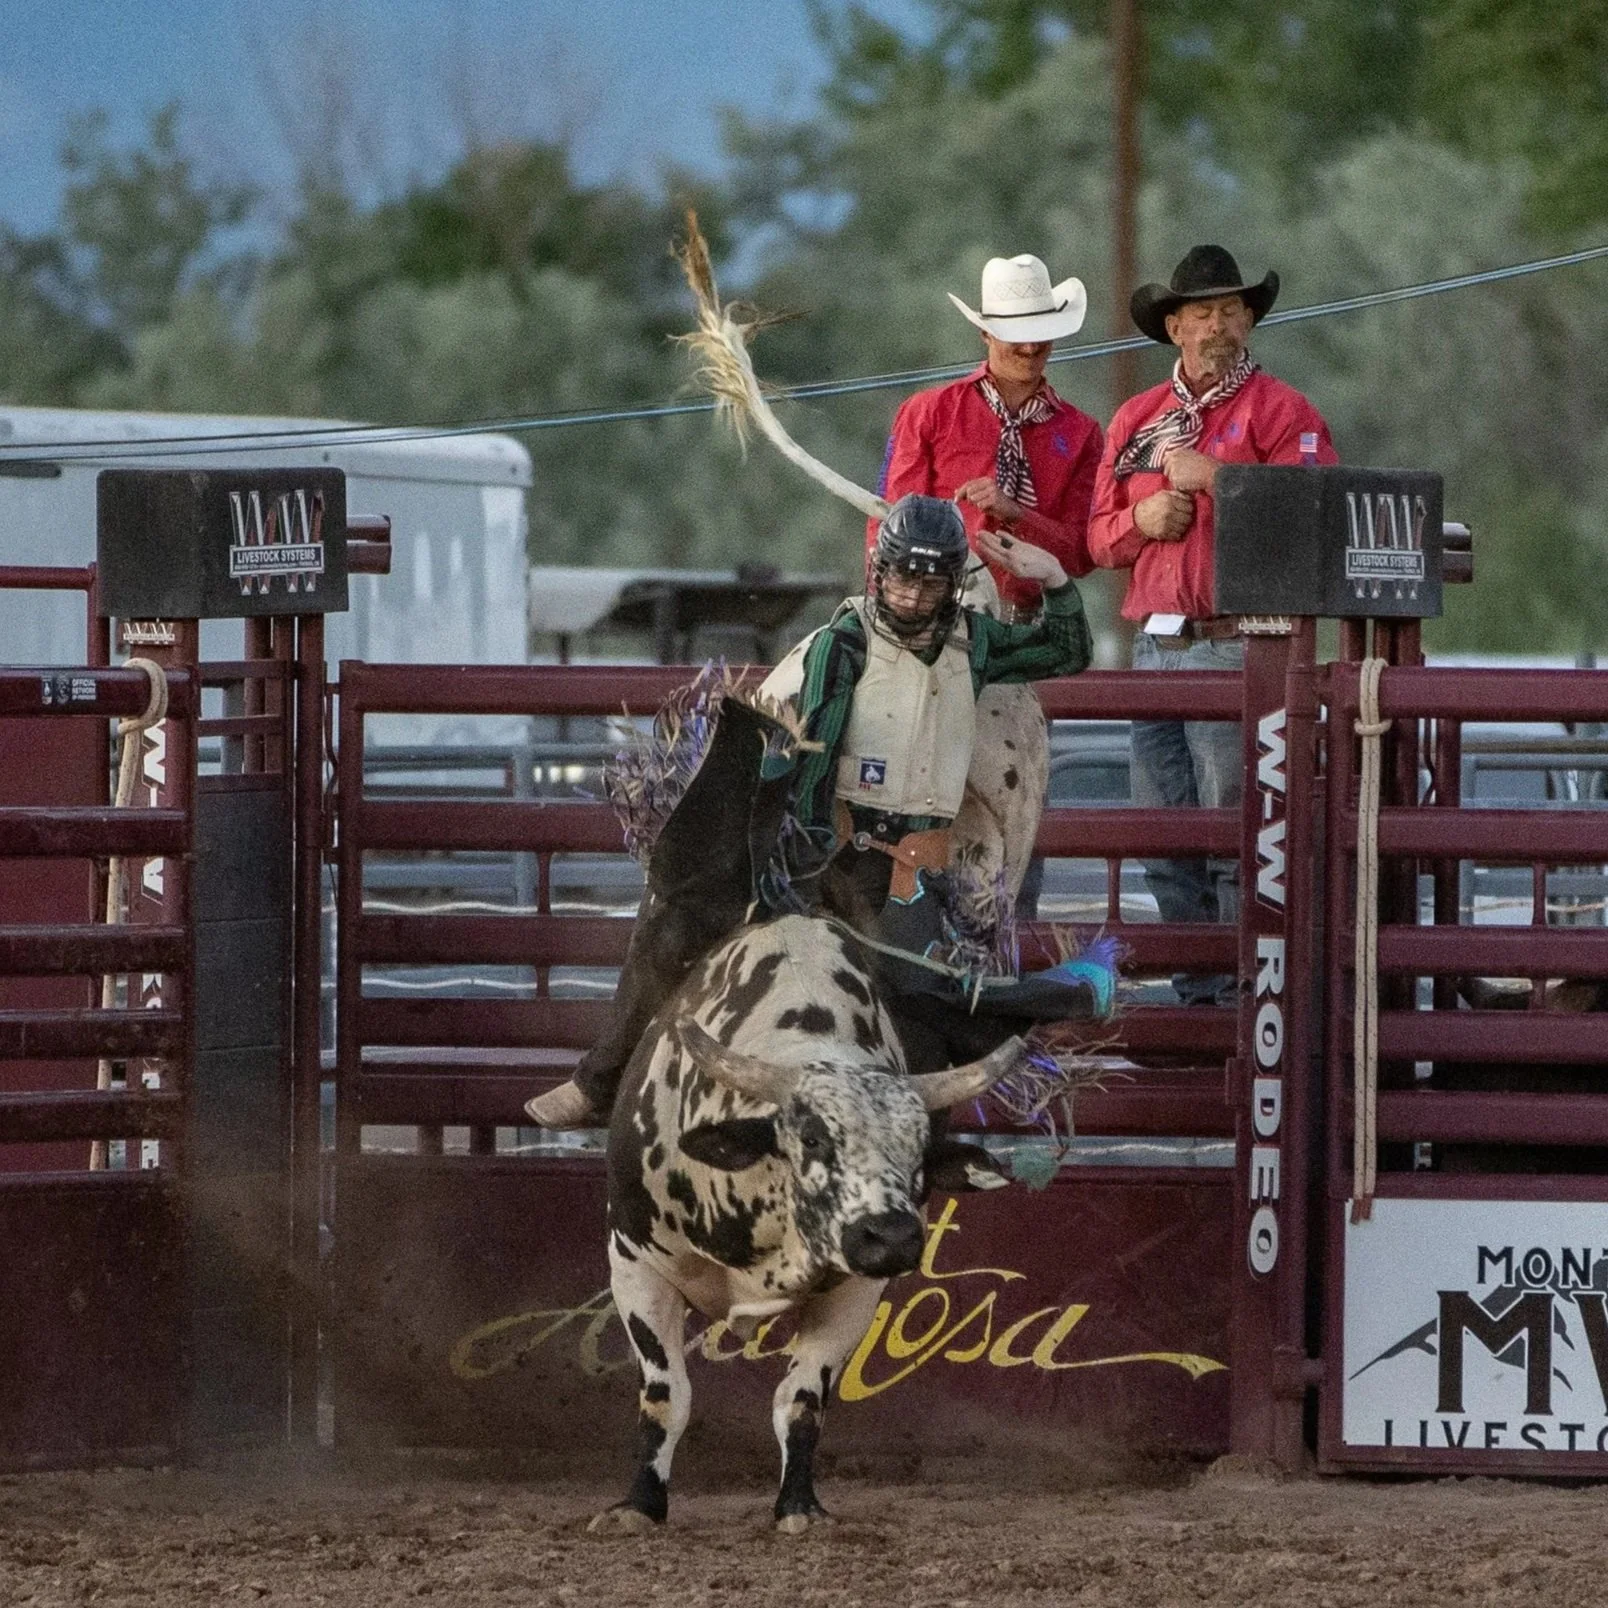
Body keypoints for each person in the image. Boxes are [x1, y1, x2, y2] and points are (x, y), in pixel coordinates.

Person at [527, 495, 1108, 1130]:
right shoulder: (845, 644)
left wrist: (1052, 577)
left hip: (914, 868)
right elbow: (819, 748)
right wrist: (801, 859)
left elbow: (1067, 650)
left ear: (950, 589)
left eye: (930, 583)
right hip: (836, 848)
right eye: (903, 579)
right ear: (878, 573)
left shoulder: (975, 644)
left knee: (922, 999)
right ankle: (602, 1078)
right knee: (679, 923)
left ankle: (968, 1098)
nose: (912, 597)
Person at [1088, 245, 1337, 1005]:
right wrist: (1144, 516)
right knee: (1165, 842)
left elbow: (1315, 511)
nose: (1219, 325)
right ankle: (1202, 999)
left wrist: (1215, 478)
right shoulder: (1137, 420)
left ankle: (1243, 1005)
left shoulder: (1283, 411)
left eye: (1233, 311)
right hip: (1157, 646)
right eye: (1203, 313)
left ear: (1250, 323)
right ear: (1175, 328)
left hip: (1240, 644)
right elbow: (1097, 537)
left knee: (1240, 840)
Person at [869, 254, 1103, 624]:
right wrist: (890, 616)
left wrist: (1016, 513)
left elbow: (1082, 553)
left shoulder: (1081, 433)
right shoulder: (928, 412)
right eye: (1016, 335)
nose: (1029, 347)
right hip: (938, 619)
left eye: (1040, 332)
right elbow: (887, 523)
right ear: (985, 333)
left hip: (1029, 621)